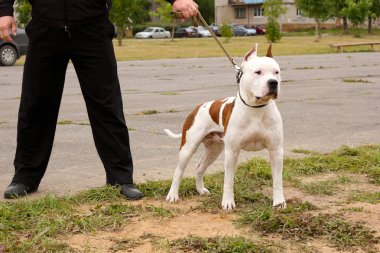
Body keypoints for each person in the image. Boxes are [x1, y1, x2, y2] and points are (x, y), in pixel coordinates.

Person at [0, 0, 198, 199]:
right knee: (35, 106)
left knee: (107, 106)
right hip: (45, 29)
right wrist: (4, 10)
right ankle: (25, 177)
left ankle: (121, 179)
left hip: (92, 29)